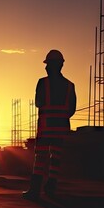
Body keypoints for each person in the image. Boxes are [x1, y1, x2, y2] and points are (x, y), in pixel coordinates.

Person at [23, 49, 76, 199]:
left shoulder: (42, 83)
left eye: (47, 64)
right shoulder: (69, 86)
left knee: (40, 158)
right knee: (56, 159)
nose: (45, 67)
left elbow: (39, 103)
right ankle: (51, 188)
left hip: (45, 128)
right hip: (61, 130)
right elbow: (71, 109)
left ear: (53, 65)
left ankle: (35, 190)